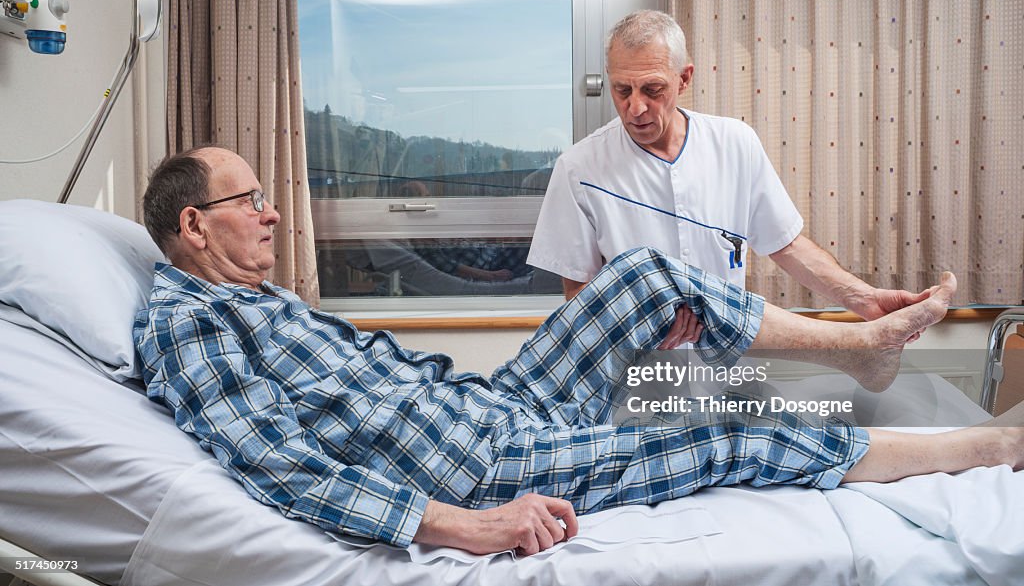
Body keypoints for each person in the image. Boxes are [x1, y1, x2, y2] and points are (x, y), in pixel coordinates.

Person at [135, 146, 1023, 557]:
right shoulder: (191, 325)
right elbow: (277, 463)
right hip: (479, 463)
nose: (272, 211)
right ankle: (983, 447)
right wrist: (453, 522)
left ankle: (862, 347)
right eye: (250, 200)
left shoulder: (254, 295)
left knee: (644, 276)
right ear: (193, 224)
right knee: (720, 435)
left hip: (484, 406)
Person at [527, 10, 930, 348]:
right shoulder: (579, 169)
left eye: (652, 89)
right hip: (633, 372)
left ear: (684, 79)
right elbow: (577, 296)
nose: (635, 108)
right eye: (622, 90)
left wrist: (867, 300)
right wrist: (641, 325)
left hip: (725, 368)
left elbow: (785, 244)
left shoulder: (734, 143)